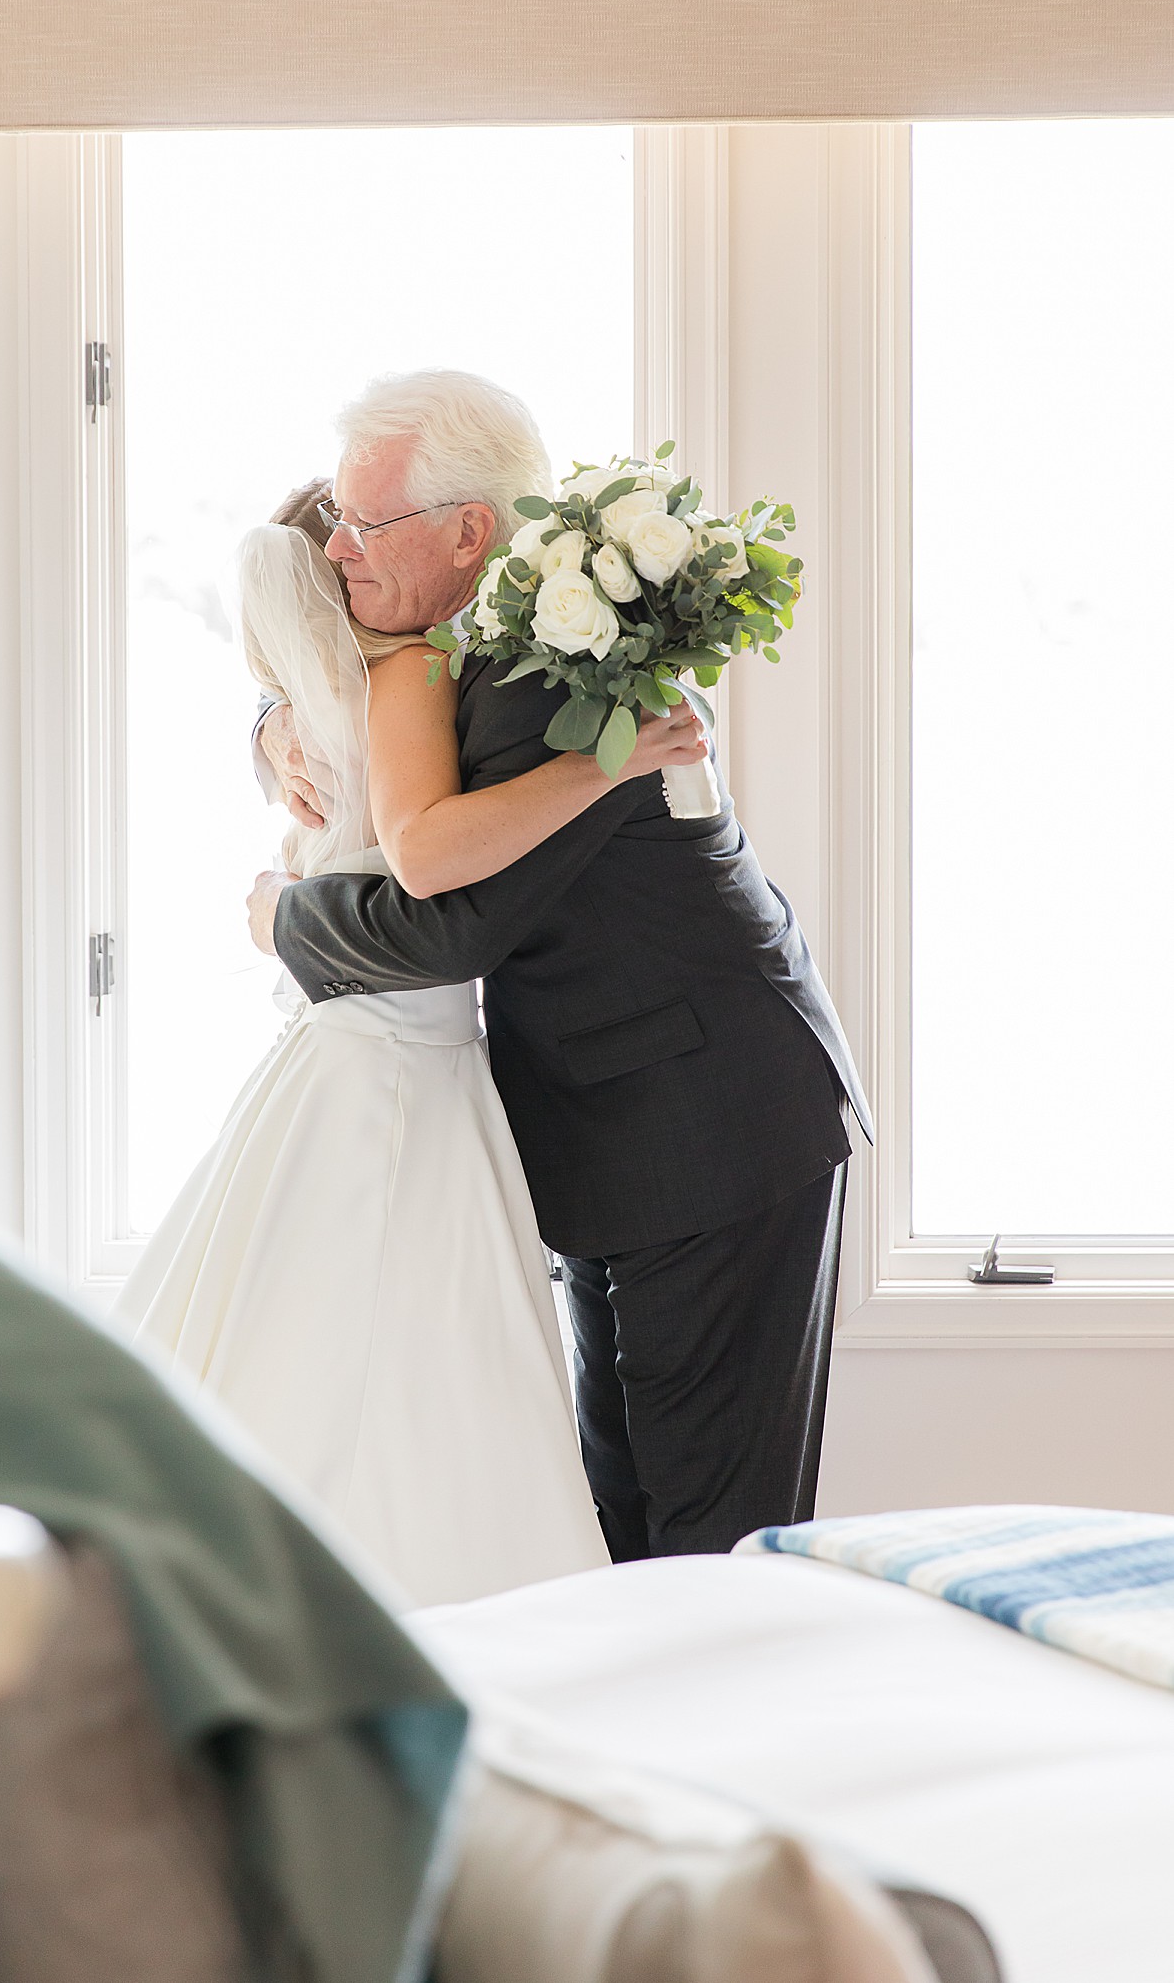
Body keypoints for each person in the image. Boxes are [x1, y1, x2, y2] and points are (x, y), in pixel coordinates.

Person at [249, 371, 872, 1565]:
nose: (336, 547)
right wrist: (274, 737)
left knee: (710, 1528)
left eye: (364, 524)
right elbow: (346, 716)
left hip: (710, 1122)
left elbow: (446, 926)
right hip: (614, 1124)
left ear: (466, 531)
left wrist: (280, 917)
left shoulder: (556, 680)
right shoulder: (470, 651)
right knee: (623, 1508)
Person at [115, 470, 700, 1608]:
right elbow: (432, 866)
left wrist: (272, 760)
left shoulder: (320, 697)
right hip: (401, 1052)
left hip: (366, 1047)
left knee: (349, 1328)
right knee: (421, 1343)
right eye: (354, 542)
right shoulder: (409, 672)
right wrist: (612, 760)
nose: (361, 556)